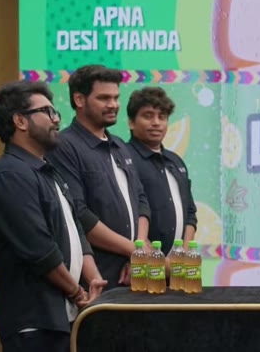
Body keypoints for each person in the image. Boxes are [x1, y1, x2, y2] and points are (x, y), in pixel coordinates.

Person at [0, 81, 107, 351]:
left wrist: (93, 279)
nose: (56, 119)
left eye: (55, 112)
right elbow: (38, 249)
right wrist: (77, 292)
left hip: (62, 316)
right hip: (34, 322)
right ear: (20, 121)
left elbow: (75, 229)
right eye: (47, 112)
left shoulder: (46, 169)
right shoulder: (11, 175)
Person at [47, 65, 151, 290]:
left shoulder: (119, 146)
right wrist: (135, 250)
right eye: (104, 98)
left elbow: (141, 201)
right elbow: (78, 214)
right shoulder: (64, 146)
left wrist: (138, 250)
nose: (113, 104)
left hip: (134, 272)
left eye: (116, 97)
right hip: (95, 280)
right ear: (79, 99)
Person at [125, 87, 197, 256]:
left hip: (177, 264)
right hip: (140, 262)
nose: (156, 123)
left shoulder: (176, 161)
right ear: (131, 122)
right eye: (148, 116)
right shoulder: (124, 157)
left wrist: (183, 254)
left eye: (162, 117)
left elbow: (190, 213)